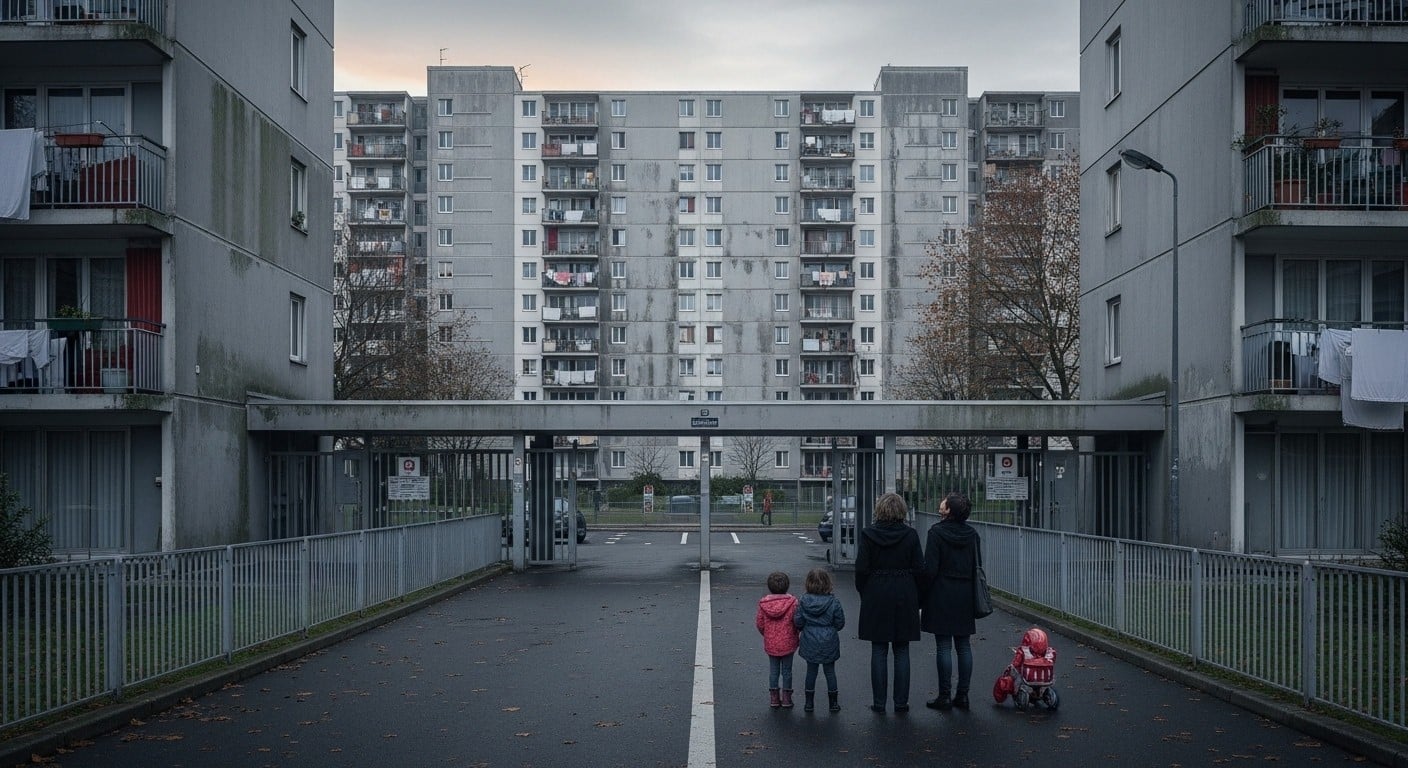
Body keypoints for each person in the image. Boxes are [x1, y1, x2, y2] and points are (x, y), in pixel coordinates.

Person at [855, 492, 924, 713]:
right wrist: (917, 596)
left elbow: (861, 569)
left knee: (879, 649)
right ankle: (901, 702)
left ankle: (879, 702)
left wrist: (865, 592)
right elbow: (920, 568)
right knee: (902, 649)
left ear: (880, 510)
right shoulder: (911, 535)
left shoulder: (868, 534)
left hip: (876, 590)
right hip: (904, 591)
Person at [921, 492, 983, 710]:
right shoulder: (972, 535)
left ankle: (944, 695)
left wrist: (922, 595)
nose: (941, 504)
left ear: (948, 510)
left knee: (944, 646)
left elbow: (930, 569)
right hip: (965, 593)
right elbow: (977, 566)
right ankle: (963, 695)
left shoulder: (936, 533)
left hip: (941, 592)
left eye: (945, 502)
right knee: (964, 646)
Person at [793, 567, 845, 712]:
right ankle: (833, 703)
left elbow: (798, 621)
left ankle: (809, 703)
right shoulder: (834, 602)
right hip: (829, 639)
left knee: (811, 671)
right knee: (830, 672)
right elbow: (840, 623)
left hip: (810, 639)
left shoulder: (803, 601)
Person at [756, 570, 800, 709]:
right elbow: (797, 621)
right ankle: (787, 698)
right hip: (788, 641)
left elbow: (760, 623)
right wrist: (795, 632)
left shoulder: (764, 604)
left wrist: (767, 634)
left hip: (771, 642)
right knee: (787, 671)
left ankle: (774, 698)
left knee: (773, 671)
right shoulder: (793, 603)